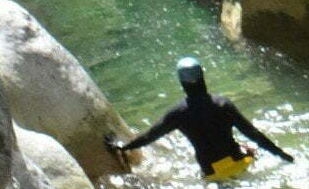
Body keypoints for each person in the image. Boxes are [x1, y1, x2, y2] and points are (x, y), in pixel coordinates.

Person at [115, 57, 293, 182]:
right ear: (203, 77)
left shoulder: (178, 113)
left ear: (182, 83)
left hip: (212, 171)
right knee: (249, 150)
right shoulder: (223, 104)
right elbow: (253, 134)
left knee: (226, 185)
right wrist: (281, 154)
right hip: (239, 161)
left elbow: (149, 137)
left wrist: (123, 147)